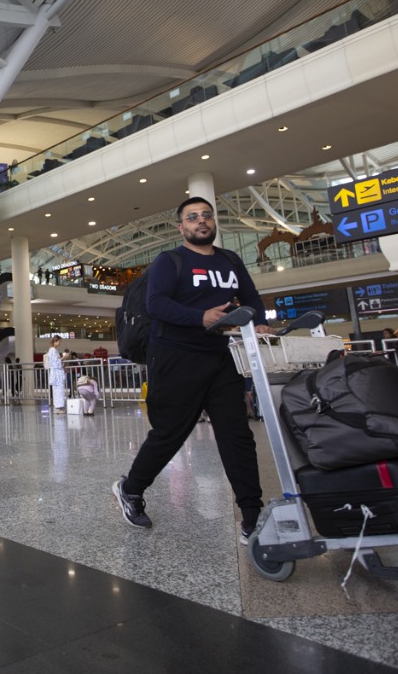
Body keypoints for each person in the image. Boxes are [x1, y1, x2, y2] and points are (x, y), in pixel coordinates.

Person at [112, 196, 269, 541]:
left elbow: (253, 298)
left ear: (214, 223)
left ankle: (252, 516)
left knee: (237, 435)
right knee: (170, 433)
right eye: (193, 217)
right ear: (181, 227)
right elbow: (156, 304)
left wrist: (256, 321)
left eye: (207, 216)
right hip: (174, 356)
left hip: (218, 356)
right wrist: (200, 317)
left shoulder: (230, 261)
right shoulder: (171, 261)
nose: (202, 222)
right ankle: (131, 489)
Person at [44, 337, 66, 412]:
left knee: (58, 390)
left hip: (57, 372)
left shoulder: (53, 350)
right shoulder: (52, 350)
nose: (59, 343)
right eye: (59, 341)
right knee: (58, 390)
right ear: (55, 341)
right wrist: (63, 358)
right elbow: (55, 363)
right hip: (56, 373)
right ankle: (58, 407)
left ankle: (58, 407)